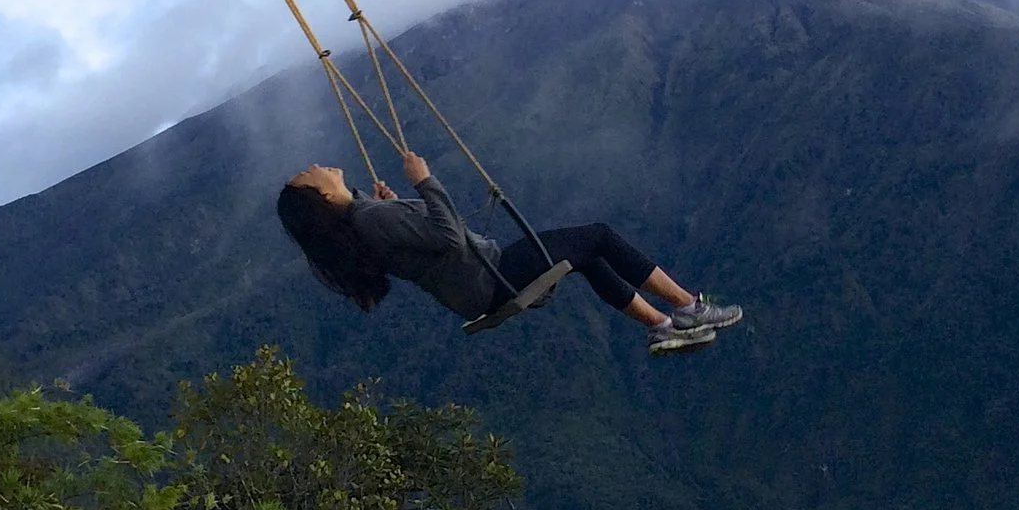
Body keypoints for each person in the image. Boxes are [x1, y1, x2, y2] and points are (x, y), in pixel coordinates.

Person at [277, 150, 742, 353]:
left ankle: (664, 326)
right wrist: (424, 181)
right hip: (493, 275)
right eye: (308, 174)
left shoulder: (364, 220)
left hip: (481, 288)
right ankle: (689, 307)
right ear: (319, 198)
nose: (316, 166)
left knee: (586, 257)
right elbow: (449, 237)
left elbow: (416, 244)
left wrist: (396, 203)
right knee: (598, 235)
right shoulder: (370, 220)